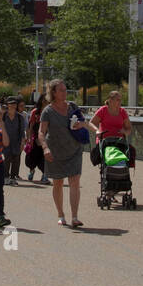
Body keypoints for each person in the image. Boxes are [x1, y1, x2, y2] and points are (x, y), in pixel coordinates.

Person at [40, 78, 87, 228]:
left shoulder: (72, 106)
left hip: (74, 150)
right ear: (53, 92)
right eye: (61, 90)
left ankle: (75, 217)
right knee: (58, 183)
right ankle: (61, 214)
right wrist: (45, 148)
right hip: (55, 152)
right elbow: (41, 132)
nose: (64, 92)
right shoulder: (47, 111)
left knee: (75, 181)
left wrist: (81, 125)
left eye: (65, 90)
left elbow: (83, 122)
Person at [90, 90, 137, 192]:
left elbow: (129, 128)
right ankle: (108, 184)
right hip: (105, 141)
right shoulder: (103, 110)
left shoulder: (122, 112)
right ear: (110, 100)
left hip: (119, 141)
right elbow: (91, 123)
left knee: (130, 152)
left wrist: (125, 132)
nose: (120, 102)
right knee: (106, 159)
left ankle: (121, 181)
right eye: (117, 100)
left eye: (120, 100)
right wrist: (97, 131)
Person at [24, 94, 49, 183]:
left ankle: (44, 175)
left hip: (46, 138)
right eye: (44, 100)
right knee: (32, 157)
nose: (46, 102)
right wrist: (30, 139)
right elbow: (31, 127)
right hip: (35, 137)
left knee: (44, 157)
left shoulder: (50, 111)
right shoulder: (35, 112)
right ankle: (32, 170)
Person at [3, 97, 26, 185]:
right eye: (10, 105)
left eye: (14, 105)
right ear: (7, 106)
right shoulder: (4, 116)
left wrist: (22, 142)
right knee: (7, 159)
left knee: (16, 159)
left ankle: (13, 177)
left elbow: (22, 131)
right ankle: (5, 177)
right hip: (6, 141)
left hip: (16, 142)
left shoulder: (20, 117)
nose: (12, 106)